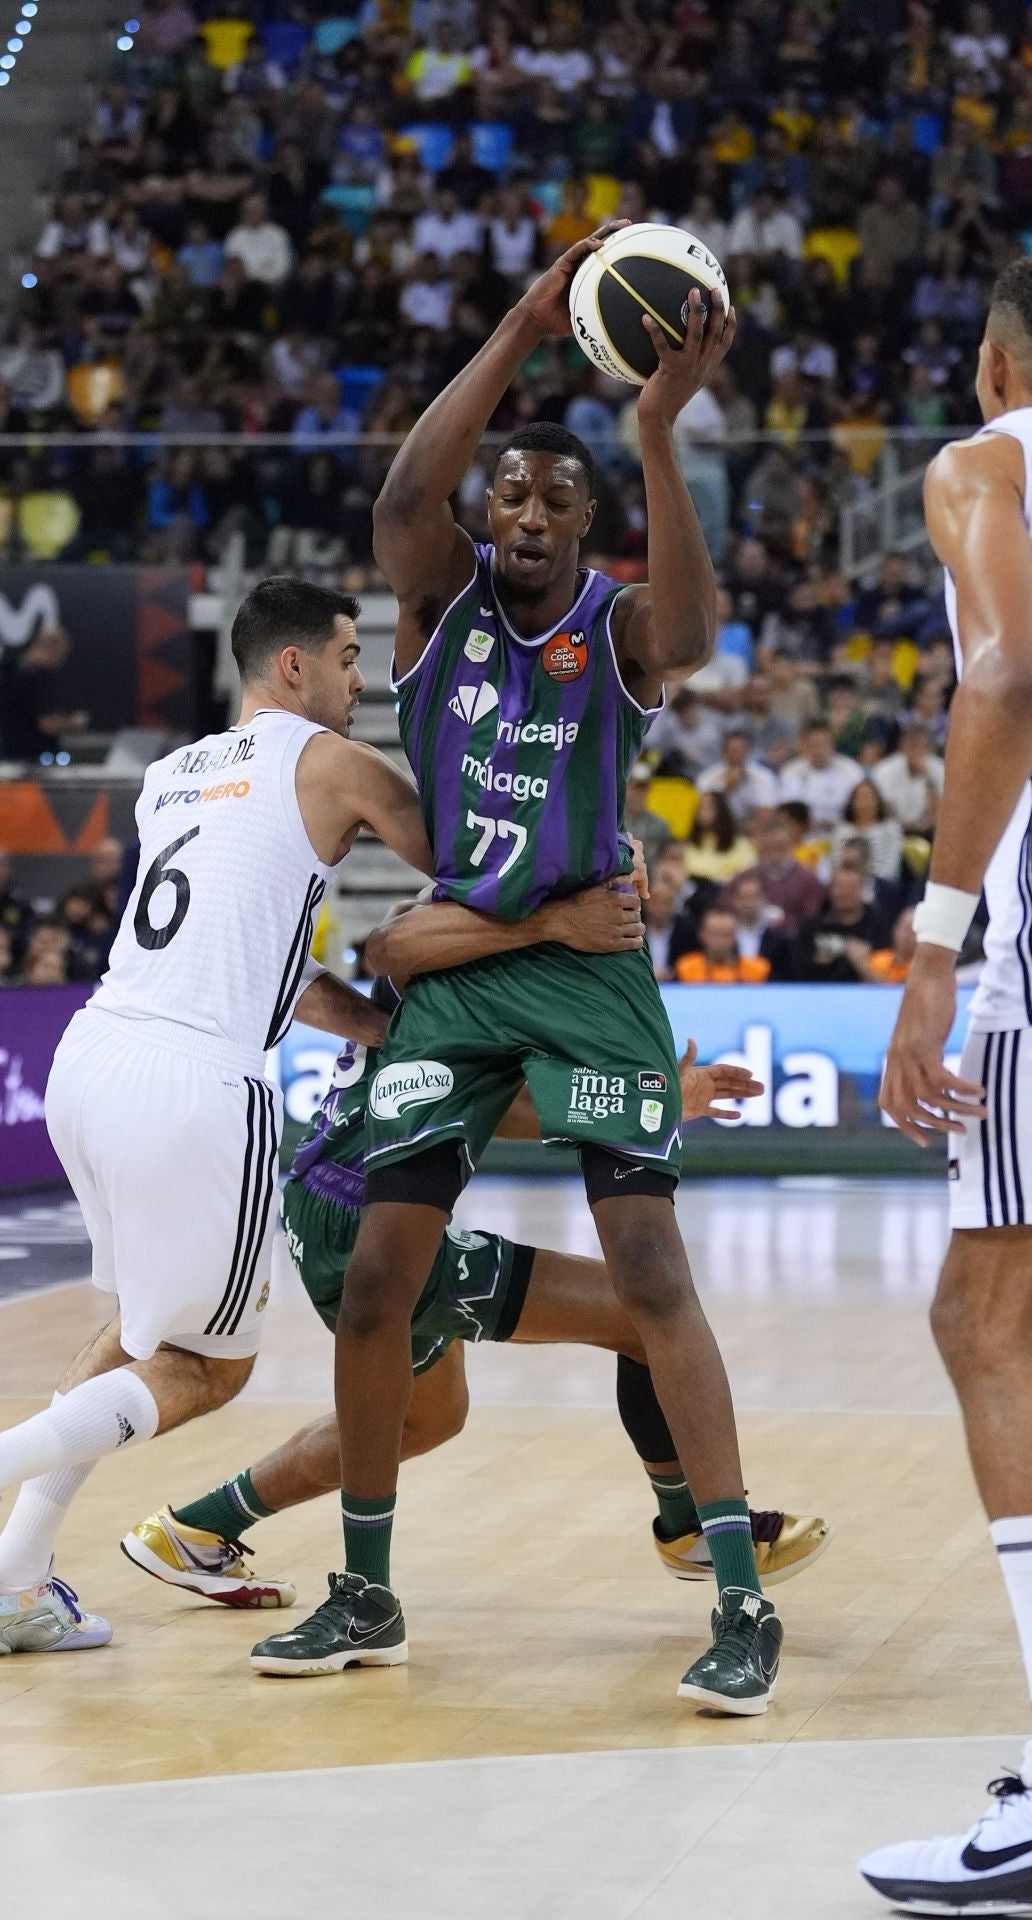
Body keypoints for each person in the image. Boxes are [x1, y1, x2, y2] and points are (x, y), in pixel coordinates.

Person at [251, 227, 785, 1715]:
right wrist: (522, 323)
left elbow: (692, 631)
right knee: (374, 1284)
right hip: (465, 971)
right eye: (513, 491)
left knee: (653, 1270)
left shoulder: (612, 626)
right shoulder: (440, 604)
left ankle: (740, 1599)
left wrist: (656, 432)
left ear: (589, 519)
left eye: (558, 494)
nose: (528, 507)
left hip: (591, 963)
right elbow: (403, 494)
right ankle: (364, 1590)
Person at [0, 577, 439, 1656]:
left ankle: (9, 1583)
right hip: (194, 1085)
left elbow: (259, 962)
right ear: (294, 667)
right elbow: (471, 860)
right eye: (345, 657)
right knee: (207, 1366)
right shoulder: (335, 766)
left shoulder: (168, 777)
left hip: (93, 1060)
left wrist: (371, 1026)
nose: (357, 678)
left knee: (137, 1335)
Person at [124, 914, 828, 1606]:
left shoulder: (461, 927)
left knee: (424, 1420)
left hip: (331, 1198)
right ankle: (691, 1529)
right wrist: (655, 1104)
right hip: (364, 1209)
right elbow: (507, 1104)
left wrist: (658, 1100)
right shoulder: (486, 942)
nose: (631, 877)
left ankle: (197, 1528)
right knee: (639, 1315)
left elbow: (480, 1087)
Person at [866, 256, 1032, 1914]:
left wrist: (934, 946)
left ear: (995, 361)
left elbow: (1000, 678)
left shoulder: (992, 458)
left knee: (986, 1321)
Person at [0, 626, 89, 761]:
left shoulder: (13, 670)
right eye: (61, 653)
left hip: (10, 754)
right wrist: (72, 723)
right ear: (52, 648)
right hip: (31, 759)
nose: (61, 660)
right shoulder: (31, 676)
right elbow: (46, 724)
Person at [791, 867, 891, 983]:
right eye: (840, 887)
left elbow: (887, 972)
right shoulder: (811, 927)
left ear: (862, 890)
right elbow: (798, 970)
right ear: (830, 890)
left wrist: (862, 962)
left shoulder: (878, 926)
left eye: (851, 888)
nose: (845, 893)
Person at [739, 811, 825, 937]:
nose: (774, 854)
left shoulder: (808, 880)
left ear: (791, 844)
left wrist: (786, 923)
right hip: (752, 941)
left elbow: (813, 918)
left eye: (780, 847)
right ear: (759, 846)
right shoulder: (745, 877)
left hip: (794, 942)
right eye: (769, 848)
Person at [778, 720, 862, 830]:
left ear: (832, 744)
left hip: (843, 832)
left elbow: (861, 808)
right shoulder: (790, 772)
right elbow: (787, 812)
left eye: (823, 744)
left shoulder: (851, 770)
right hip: (804, 834)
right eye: (813, 745)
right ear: (803, 746)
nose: (818, 750)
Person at [871, 722, 945, 834]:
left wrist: (926, 777)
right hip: (892, 830)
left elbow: (939, 815)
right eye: (912, 745)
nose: (916, 750)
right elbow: (883, 811)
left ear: (930, 748)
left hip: (928, 831)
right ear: (902, 747)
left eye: (922, 746)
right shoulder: (884, 769)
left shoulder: (940, 769)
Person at [829, 778, 904, 885]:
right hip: (846, 885)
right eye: (859, 798)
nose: (864, 802)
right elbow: (835, 865)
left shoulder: (890, 829)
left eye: (868, 797)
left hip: (880, 886)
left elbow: (889, 869)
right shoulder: (841, 831)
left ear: (877, 801)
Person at [697, 726, 779, 822]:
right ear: (723, 752)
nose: (737, 755)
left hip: (753, 829)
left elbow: (768, 811)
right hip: (719, 828)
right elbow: (704, 814)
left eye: (741, 750)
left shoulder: (764, 777)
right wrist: (727, 788)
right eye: (732, 751)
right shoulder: (707, 777)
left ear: (748, 752)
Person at [675, 905, 772, 984]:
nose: (720, 941)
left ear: (735, 936)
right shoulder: (686, 967)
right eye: (714, 934)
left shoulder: (757, 969)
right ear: (702, 935)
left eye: (726, 934)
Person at [684, 792, 758, 886]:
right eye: (700, 807)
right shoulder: (687, 846)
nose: (703, 812)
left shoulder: (741, 845)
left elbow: (748, 877)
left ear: (721, 810)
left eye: (709, 807)